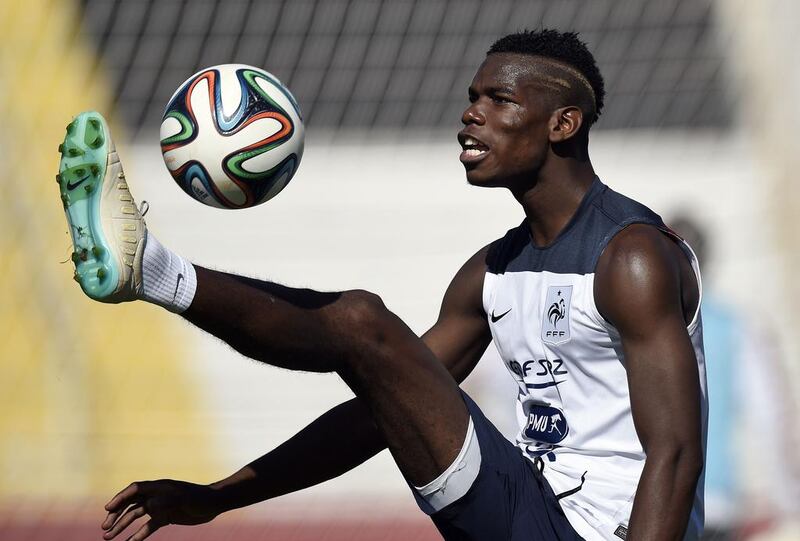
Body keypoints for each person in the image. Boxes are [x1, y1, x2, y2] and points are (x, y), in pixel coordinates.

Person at [57, 30, 707, 541]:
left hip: (612, 532)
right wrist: (218, 496)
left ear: (563, 124)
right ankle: (148, 272)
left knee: (364, 322)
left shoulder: (630, 256)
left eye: (497, 100)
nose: (469, 115)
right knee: (365, 332)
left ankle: (154, 271)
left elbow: (675, 451)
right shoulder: (492, 272)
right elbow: (378, 408)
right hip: (522, 510)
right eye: (472, 96)